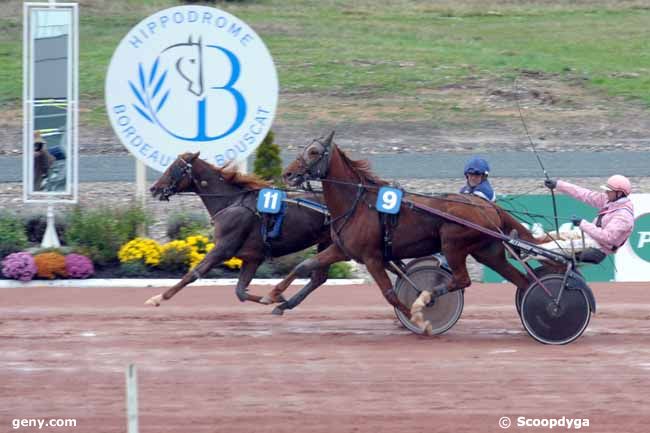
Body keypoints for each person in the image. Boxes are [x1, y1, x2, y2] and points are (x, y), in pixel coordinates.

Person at [541, 175, 635, 263]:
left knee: (555, 247)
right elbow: (585, 194)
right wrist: (558, 185)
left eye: (609, 190)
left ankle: (531, 252)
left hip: (599, 247)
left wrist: (582, 223)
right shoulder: (610, 200)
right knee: (551, 235)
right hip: (589, 237)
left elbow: (607, 238)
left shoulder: (623, 216)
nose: (605, 192)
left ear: (619, 193)